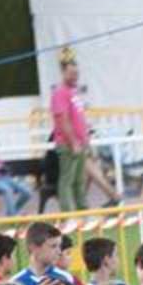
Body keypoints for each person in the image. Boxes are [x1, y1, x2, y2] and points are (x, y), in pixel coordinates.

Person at [12, 222, 77, 285]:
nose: (59, 252)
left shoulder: (65, 277)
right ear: (34, 248)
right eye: (53, 246)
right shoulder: (15, 283)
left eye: (59, 246)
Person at [51, 52, 90, 211]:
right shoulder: (60, 93)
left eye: (77, 73)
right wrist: (73, 141)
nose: (75, 76)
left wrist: (85, 141)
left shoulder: (73, 93)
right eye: (72, 73)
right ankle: (68, 214)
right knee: (67, 180)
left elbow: (78, 118)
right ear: (63, 73)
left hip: (80, 143)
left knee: (80, 180)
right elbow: (62, 119)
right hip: (68, 144)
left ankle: (82, 210)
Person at [0, 138, 32, 215]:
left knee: (27, 192)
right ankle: (13, 216)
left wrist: (4, 169)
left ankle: (11, 213)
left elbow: (8, 172)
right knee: (7, 190)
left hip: (7, 179)